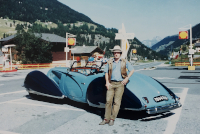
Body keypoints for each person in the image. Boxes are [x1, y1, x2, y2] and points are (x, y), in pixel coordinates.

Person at [99, 45, 135, 126]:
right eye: (115, 52)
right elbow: (106, 73)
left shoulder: (124, 61)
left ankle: (112, 119)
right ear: (113, 53)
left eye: (118, 52)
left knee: (116, 102)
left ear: (120, 53)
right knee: (108, 101)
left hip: (120, 84)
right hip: (111, 83)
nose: (116, 54)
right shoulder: (110, 62)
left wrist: (126, 78)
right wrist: (107, 82)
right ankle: (106, 119)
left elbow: (132, 70)